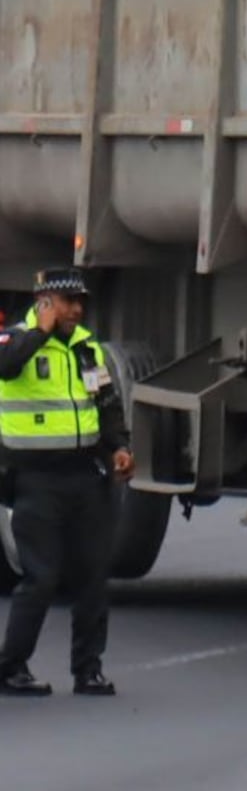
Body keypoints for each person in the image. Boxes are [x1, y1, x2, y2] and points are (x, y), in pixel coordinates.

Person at [0, 268, 133, 696]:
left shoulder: (85, 347)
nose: (76, 310)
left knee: (93, 577)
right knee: (41, 578)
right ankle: (11, 667)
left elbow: (106, 403)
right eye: (67, 302)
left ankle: (88, 670)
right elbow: (5, 367)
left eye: (81, 302)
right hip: (35, 479)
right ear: (44, 303)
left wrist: (119, 446)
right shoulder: (14, 340)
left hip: (86, 477)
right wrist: (40, 332)